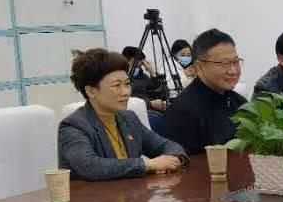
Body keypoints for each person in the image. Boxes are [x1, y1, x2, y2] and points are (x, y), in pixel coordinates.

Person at [59, 47, 187, 180]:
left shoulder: (128, 118)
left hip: (132, 192)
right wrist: (147, 165)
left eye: (127, 84)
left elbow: (166, 145)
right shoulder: (73, 126)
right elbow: (90, 166)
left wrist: (173, 160)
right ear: (91, 91)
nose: (126, 92)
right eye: (116, 85)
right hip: (95, 193)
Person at [157, 28, 246, 153]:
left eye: (235, 62)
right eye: (224, 63)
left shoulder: (241, 103)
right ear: (199, 67)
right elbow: (179, 161)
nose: (233, 71)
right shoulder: (183, 112)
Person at [121, 45, 169, 111]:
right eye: (134, 64)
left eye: (139, 65)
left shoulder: (143, 77)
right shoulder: (120, 79)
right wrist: (150, 104)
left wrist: (152, 73)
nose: (137, 66)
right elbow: (125, 101)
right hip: (134, 111)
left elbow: (158, 89)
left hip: (149, 109)